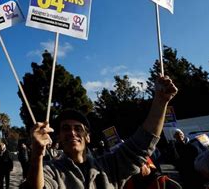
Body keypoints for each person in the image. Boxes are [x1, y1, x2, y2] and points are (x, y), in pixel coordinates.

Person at [24, 75, 178, 188]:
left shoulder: (109, 166)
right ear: (58, 137)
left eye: (78, 129)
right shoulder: (51, 170)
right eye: (66, 129)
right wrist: (37, 155)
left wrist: (160, 101)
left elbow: (143, 143)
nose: (72, 133)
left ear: (88, 137)